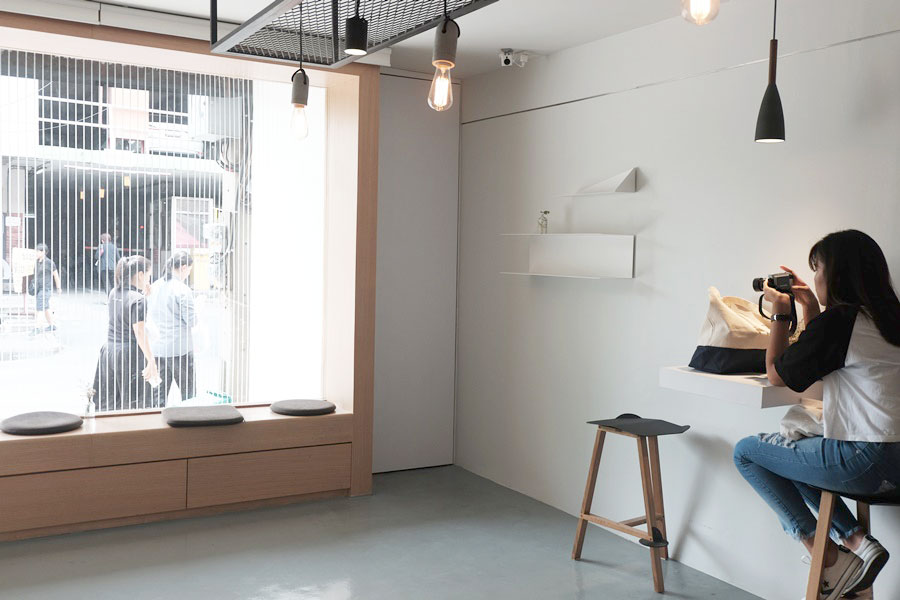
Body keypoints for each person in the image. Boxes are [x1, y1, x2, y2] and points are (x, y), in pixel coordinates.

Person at [733, 230, 900, 599]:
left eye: (818, 269)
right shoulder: (888, 319)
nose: (816, 278)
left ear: (837, 273)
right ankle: (858, 542)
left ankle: (830, 558)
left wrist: (781, 313)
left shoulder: (842, 321)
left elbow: (778, 374)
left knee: (747, 452)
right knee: (793, 453)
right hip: (895, 465)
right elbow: (821, 356)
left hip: (867, 459)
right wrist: (810, 308)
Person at [92, 256, 161, 412]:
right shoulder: (138, 300)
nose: (149, 280)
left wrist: (142, 295)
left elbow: (126, 310)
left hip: (109, 352)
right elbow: (139, 331)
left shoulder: (113, 293)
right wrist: (151, 359)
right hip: (128, 355)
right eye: (148, 275)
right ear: (141, 275)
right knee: (133, 404)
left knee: (111, 402)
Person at [149, 251, 197, 403]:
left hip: (157, 349)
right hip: (179, 350)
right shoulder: (182, 290)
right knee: (188, 396)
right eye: (189, 270)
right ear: (183, 267)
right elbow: (192, 321)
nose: (188, 274)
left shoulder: (155, 286)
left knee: (158, 397)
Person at [33, 242, 61, 333]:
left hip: (46, 289)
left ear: (43, 252)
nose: (36, 253)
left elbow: (56, 276)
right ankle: (52, 325)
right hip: (38, 288)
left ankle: (37, 328)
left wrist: (58, 288)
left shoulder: (49, 263)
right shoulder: (37, 262)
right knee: (45, 307)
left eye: (38, 251)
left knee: (40, 307)